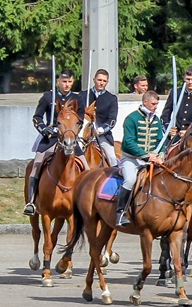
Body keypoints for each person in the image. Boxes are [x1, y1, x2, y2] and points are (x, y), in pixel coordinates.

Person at [24, 70, 82, 215]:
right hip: (51, 138)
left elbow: (79, 121)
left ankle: (86, 202)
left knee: (86, 167)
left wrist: (73, 133)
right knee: (36, 165)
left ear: (73, 82)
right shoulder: (48, 96)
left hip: (69, 139)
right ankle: (31, 202)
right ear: (58, 81)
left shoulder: (77, 99)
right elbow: (37, 117)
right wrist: (45, 130)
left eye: (69, 82)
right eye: (64, 82)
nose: (67, 85)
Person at [116, 91, 165, 227]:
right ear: (145, 102)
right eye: (154, 104)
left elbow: (160, 141)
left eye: (157, 104)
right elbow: (128, 143)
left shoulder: (156, 119)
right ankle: (121, 213)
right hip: (132, 159)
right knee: (130, 180)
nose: (156, 106)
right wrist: (148, 156)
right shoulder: (131, 118)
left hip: (152, 160)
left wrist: (160, 155)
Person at [160, 66, 192, 145]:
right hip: (175, 136)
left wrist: (189, 131)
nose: (190, 82)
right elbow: (165, 115)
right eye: (188, 79)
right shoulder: (175, 93)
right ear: (184, 78)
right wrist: (168, 129)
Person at [83, 69, 120, 167]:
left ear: (107, 82)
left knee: (112, 158)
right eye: (99, 80)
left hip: (101, 135)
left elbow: (112, 119)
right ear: (94, 79)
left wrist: (101, 129)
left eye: (104, 81)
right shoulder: (83, 95)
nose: (101, 83)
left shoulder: (111, 98)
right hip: (83, 135)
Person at [115, 75, 149, 144]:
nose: (145, 88)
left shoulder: (149, 98)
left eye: (146, 85)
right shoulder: (129, 100)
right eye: (143, 86)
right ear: (136, 86)